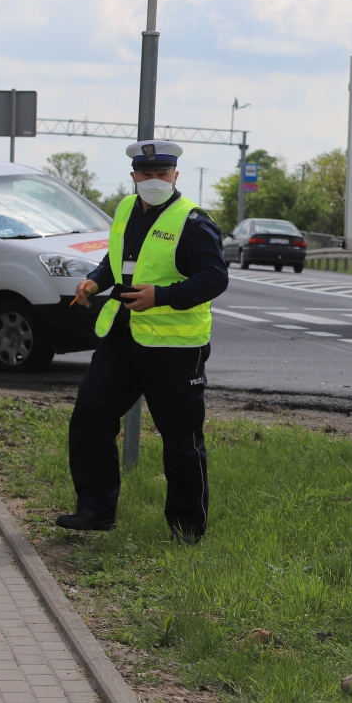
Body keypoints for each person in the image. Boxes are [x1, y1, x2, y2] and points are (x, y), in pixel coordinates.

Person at [58, 140, 228, 539]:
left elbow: (214, 278)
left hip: (175, 348)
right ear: (134, 176)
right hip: (124, 337)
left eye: (162, 174)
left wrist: (162, 296)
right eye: (146, 174)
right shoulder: (124, 208)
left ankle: (188, 528)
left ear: (175, 177)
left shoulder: (193, 221)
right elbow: (115, 259)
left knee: (181, 439)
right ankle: (95, 510)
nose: (154, 181)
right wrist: (95, 281)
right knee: (90, 414)